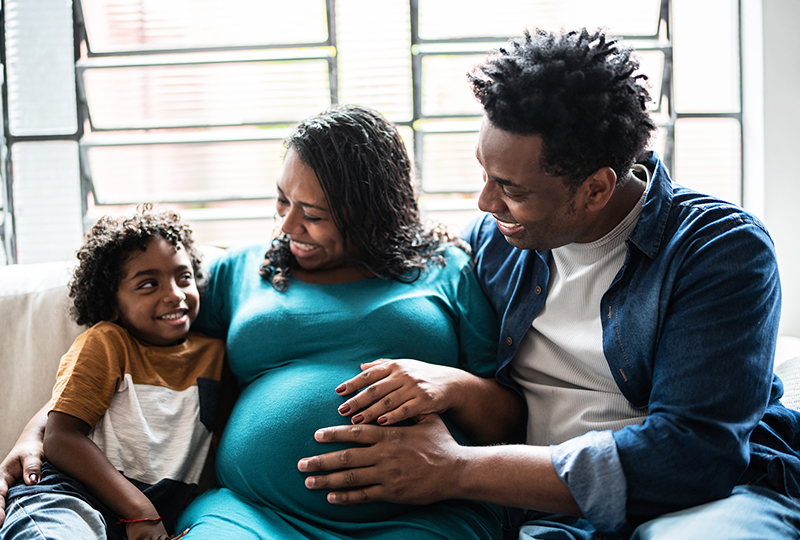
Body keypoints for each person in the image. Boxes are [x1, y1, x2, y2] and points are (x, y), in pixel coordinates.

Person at [295, 29, 800, 539]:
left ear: (597, 188)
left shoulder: (718, 251)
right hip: (546, 510)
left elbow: (690, 458)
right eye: (484, 174)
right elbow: (390, 252)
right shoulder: (494, 243)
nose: (486, 203)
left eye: (511, 188)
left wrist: (454, 468)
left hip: (714, 499)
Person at [0, 104, 524, 539]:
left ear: (371, 214)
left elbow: (509, 420)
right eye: (281, 200)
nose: (288, 225)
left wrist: (451, 386)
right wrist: (38, 428)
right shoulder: (241, 271)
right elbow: (137, 347)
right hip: (254, 514)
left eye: (312, 214)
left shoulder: (445, 268)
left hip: (420, 514)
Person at [0, 205, 225, 540]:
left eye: (184, 277)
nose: (174, 294)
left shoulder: (215, 355)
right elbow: (61, 437)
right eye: (149, 284)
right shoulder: (107, 341)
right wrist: (142, 512)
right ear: (112, 303)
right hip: (62, 498)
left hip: (137, 523)